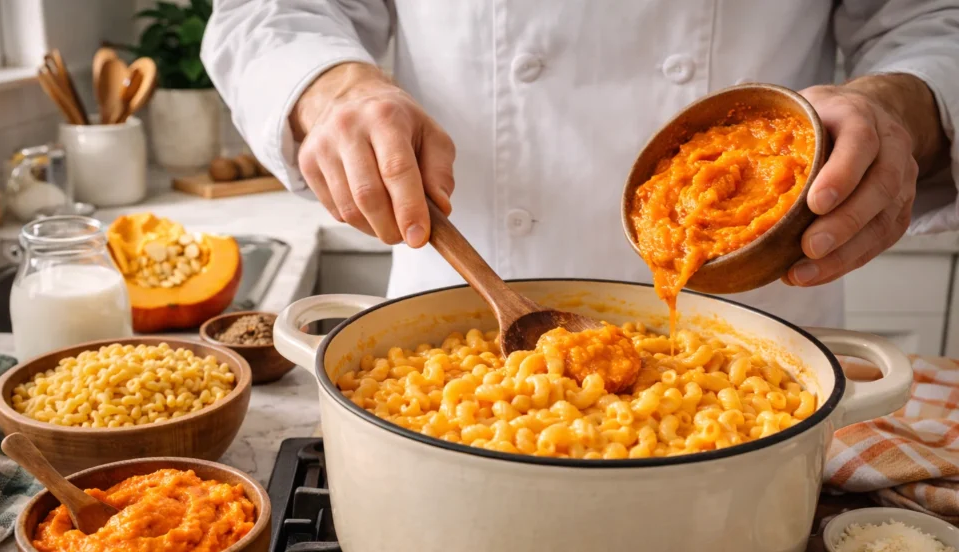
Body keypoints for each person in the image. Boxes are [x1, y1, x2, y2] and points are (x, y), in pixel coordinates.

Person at [202, 1, 959, 326]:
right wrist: (330, 85)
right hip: (463, 298)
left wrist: (897, 106)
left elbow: (931, 19)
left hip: (760, 301)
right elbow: (269, 11)